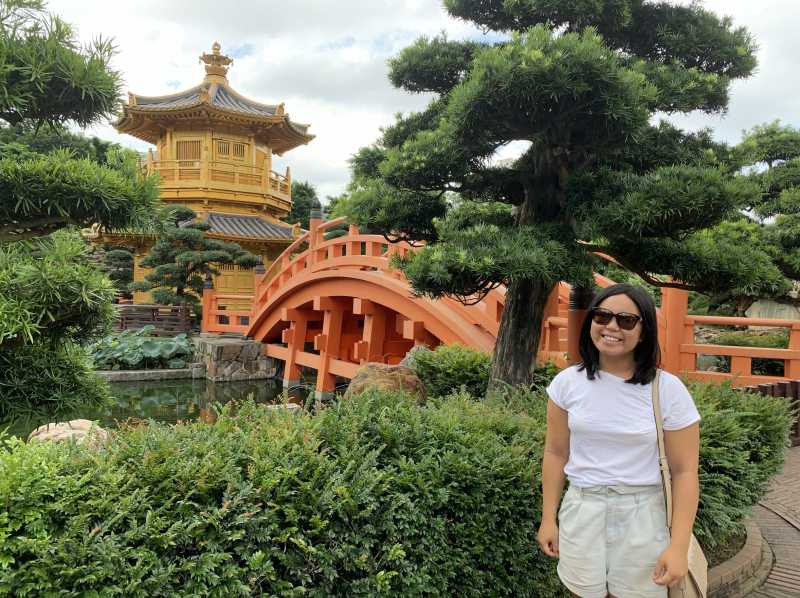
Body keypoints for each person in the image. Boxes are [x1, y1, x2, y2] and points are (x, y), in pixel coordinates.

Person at [536, 284, 700, 598]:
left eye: (626, 320)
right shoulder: (567, 383)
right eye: (602, 316)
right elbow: (556, 452)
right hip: (583, 508)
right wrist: (548, 519)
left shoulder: (667, 389)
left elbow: (684, 472)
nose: (611, 326)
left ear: (644, 331)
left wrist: (679, 545)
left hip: (644, 515)